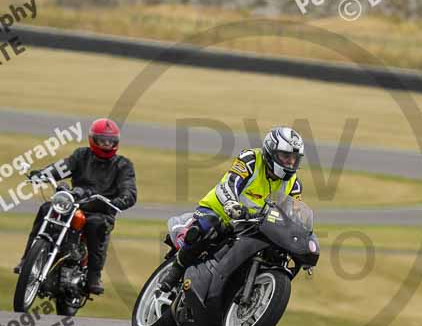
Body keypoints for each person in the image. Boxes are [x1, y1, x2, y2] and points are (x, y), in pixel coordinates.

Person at [161, 126, 305, 291]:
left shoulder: (294, 184)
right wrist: (231, 203)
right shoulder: (251, 159)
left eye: (295, 158)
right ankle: (176, 268)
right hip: (220, 211)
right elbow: (230, 183)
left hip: (253, 225)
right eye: (286, 156)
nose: (291, 162)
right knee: (208, 228)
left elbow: (295, 215)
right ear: (270, 151)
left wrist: (301, 239)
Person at [14, 118, 137, 295]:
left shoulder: (123, 165)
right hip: (74, 202)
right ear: (93, 139)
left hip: (100, 209)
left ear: (116, 142)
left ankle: (94, 276)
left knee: (97, 226)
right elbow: (62, 167)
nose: (106, 144)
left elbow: (129, 189)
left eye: (110, 141)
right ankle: (27, 259)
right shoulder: (81, 155)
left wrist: (122, 199)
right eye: (102, 140)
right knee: (46, 209)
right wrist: (42, 175)